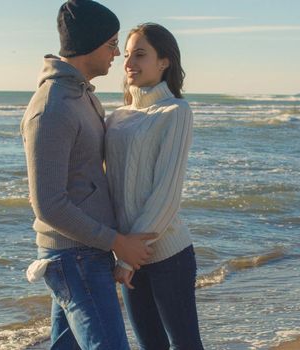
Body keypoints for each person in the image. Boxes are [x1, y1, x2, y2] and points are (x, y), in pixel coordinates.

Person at [20, 1, 157, 349]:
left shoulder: (83, 97)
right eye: (111, 44)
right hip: (74, 257)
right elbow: (49, 205)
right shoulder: (52, 108)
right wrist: (117, 242)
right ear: (89, 44)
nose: (116, 54)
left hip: (86, 253)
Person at [106, 23, 204, 349]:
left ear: (164, 61)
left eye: (140, 54)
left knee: (186, 346)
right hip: (128, 253)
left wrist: (126, 259)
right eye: (128, 54)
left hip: (168, 255)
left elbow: (165, 195)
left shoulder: (176, 111)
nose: (129, 62)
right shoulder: (115, 117)